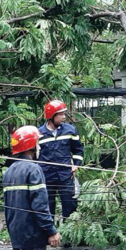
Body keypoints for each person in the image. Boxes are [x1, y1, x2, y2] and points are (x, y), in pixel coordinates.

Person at [2, 125, 55, 250]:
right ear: (32, 145)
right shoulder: (33, 169)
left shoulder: (10, 171)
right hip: (33, 231)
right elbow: (40, 206)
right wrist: (50, 230)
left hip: (16, 229)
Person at [37, 100, 84, 241]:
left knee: (69, 205)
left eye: (64, 114)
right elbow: (34, 155)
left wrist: (76, 164)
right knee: (47, 206)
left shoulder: (70, 130)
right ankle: (49, 236)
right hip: (47, 176)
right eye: (61, 115)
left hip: (65, 175)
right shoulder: (39, 133)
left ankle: (69, 236)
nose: (64, 117)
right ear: (51, 116)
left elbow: (78, 150)